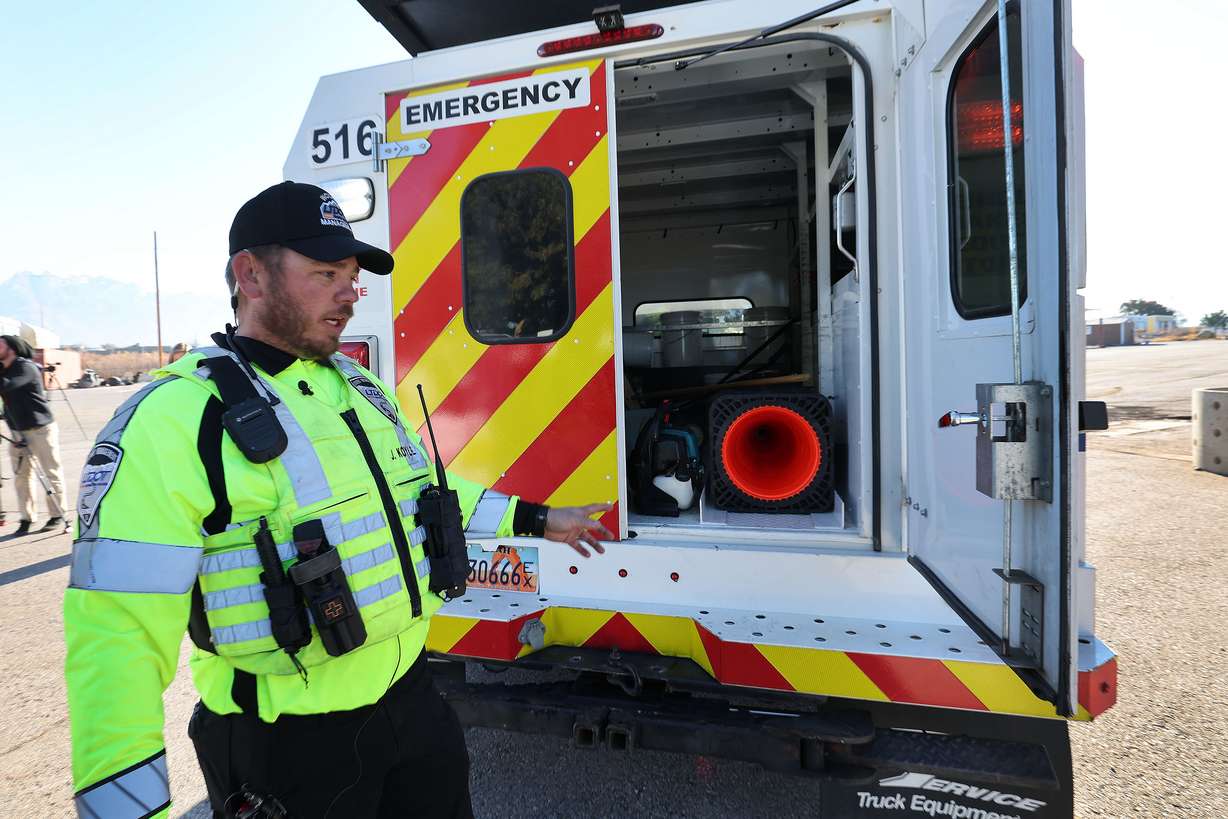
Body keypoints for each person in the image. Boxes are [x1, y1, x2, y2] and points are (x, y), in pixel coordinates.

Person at [63, 181, 614, 819]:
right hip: (288, 746)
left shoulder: (356, 386)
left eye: (353, 275)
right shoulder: (173, 420)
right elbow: (117, 640)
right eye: (326, 272)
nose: (350, 293)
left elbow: (424, 494)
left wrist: (542, 520)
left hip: (413, 704)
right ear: (251, 276)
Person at [0, 333, 67, 535]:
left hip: (40, 429)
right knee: (22, 477)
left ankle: (57, 515)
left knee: (51, 472)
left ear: (11, 348)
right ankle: (26, 518)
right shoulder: (4, 370)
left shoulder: (25, 367)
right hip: (17, 432)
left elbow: (8, 386)